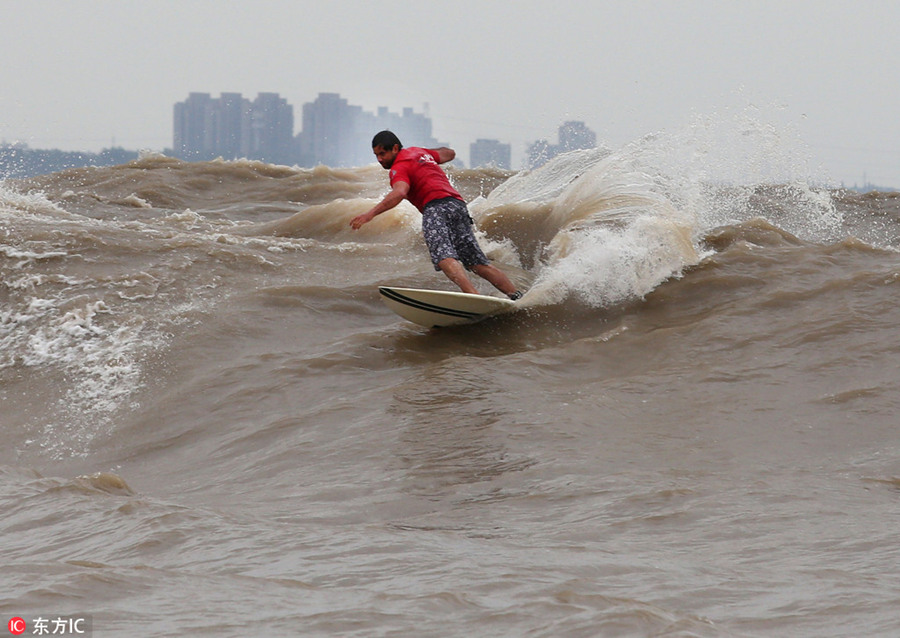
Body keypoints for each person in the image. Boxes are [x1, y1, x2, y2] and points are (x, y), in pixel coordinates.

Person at [350, 130, 522, 300]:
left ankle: (473, 297)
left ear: (395, 148)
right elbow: (450, 154)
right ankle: (516, 295)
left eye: (382, 153)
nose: (379, 159)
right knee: (476, 263)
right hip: (458, 206)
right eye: (376, 155)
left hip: (435, 208)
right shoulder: (420, 153)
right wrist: (426, 157)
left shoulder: (398, 167)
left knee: (443, 257)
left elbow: (400, 192)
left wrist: (370, 214)